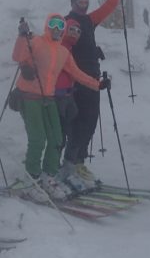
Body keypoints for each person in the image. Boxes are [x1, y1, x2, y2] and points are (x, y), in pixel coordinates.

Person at [12, 14, 105, 201]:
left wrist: (97, 84)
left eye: (60, 25)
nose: (57, 28)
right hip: (30, 97)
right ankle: (31, 180)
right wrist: (22, 36)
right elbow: (19, 56)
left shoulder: (63, 52)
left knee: (56, 138)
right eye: (53, 24)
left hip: (48, 98)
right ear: (47, 26)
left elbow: (76, 73)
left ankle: (48, 176)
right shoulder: (35, 41)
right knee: (38, 139)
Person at [64, 0, 124, 183]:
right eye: (79, 0)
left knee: (90, 121)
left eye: (85, 0)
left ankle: (78, 163)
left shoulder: (89, 20)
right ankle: (70, 165)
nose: (83, 3)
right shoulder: (68, 22)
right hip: (76, 81)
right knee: (78, 123)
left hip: (94, 79)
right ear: (72, 3)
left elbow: (111, 4)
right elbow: (63, 49)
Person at [55, 18, 89, 191]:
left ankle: (67, 168)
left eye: (78, 31)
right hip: (56, 98)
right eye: (72, 29)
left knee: (75, 132)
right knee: (59, 136)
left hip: (69, 97)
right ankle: (54, 171)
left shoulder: (69, 48)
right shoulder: (58, 47)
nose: (75, 33)